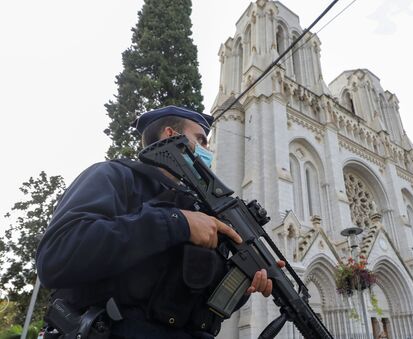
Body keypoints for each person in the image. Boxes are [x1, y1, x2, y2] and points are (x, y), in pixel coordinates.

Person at [36, 106, 284, 339]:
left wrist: (242, 283)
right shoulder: (115, 176)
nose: (208, 150)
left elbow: (194, 302)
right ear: (171, 135)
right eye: (201, 139)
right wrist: (177, 223)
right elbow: (57, 255)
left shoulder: (201, 210)